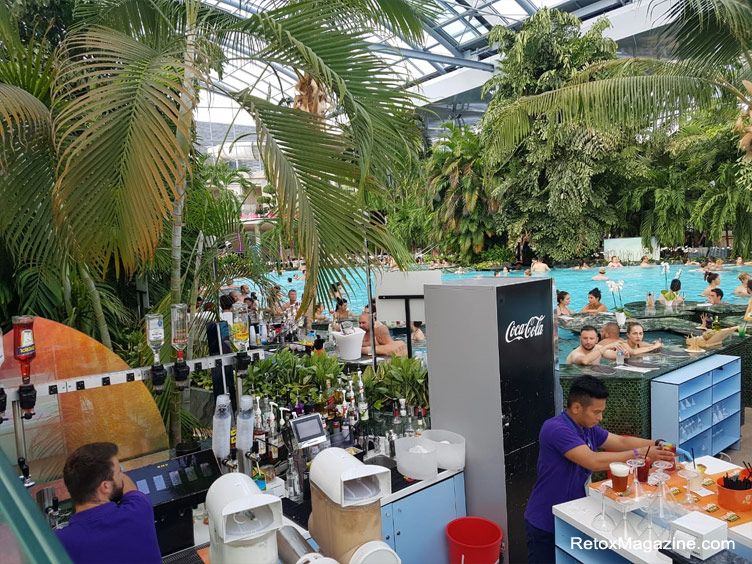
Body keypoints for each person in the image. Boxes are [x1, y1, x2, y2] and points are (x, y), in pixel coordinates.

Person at [524, 376, 675, 563]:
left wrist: (657, 443)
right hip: (545, 520)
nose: (600, 418)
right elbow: (592, 461)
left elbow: (620, 441)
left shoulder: (587, 428)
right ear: (577, 407)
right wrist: (639, 454)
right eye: (596, 412)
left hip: (575, 512)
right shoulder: (555, 428)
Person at [56, 442, 161, 564]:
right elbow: (129, 487)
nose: (121, 475)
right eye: (119, 472)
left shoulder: (59, 543)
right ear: (105, 486)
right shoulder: (139, 509)